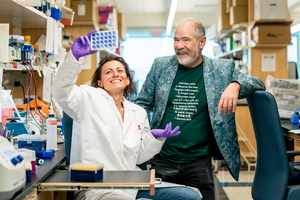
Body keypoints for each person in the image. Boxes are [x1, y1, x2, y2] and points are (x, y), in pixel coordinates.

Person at [52, 30, 202, 200]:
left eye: (120, 71)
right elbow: (61, 92)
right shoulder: (88, 98)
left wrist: (154, 138)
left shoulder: (137, 112)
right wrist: (74, 58)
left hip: (132, 183)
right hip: (99, 187)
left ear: (128, 79)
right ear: (99, 82)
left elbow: (138, 156)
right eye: (108, 72)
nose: (115, 74)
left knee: (191, 197)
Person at [134, 18, 266, 200]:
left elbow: (257, 82)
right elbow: (142, 104)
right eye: (176, 40)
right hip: (163, 158)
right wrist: (145, 141)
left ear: (202, 42)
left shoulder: (221, 69)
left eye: (186, 40)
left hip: (198, 161)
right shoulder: (160, 66)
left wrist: (235, 84)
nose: (179, 46)